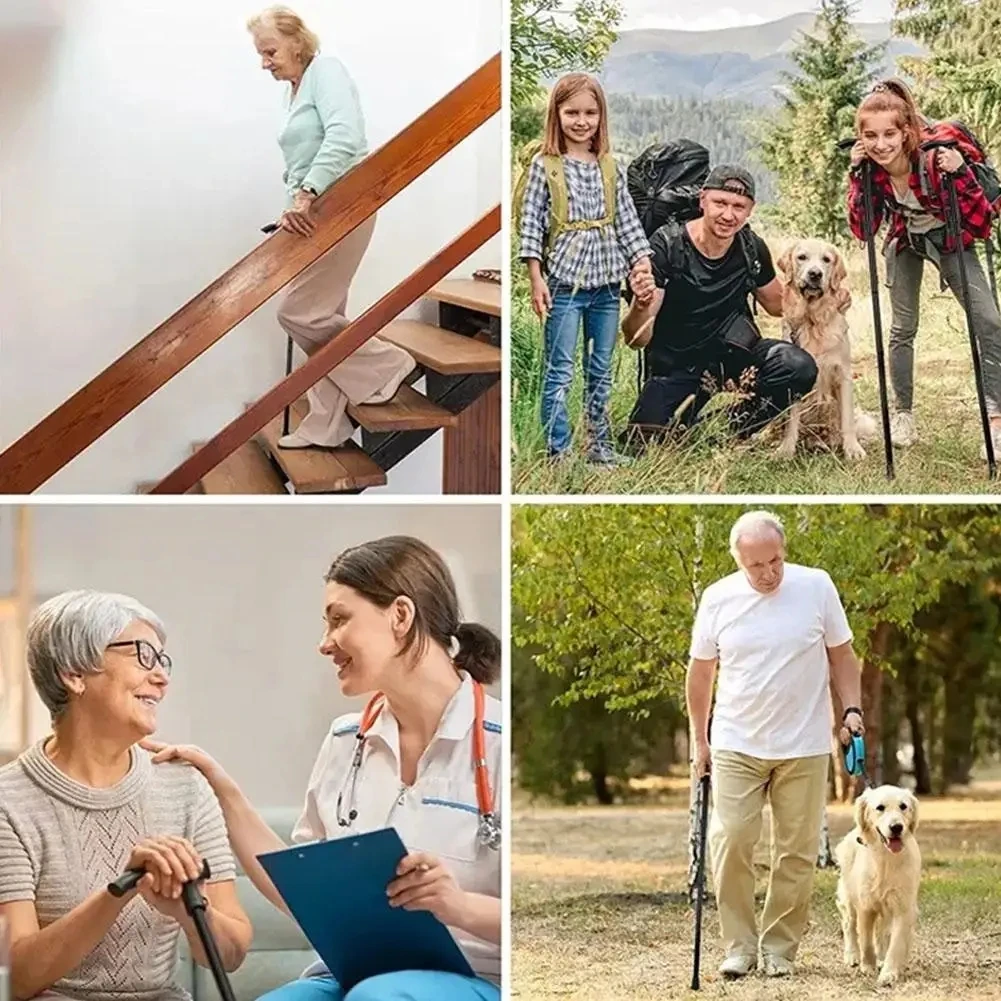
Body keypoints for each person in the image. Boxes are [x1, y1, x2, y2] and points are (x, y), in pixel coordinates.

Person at [144, 536, 502, 1001]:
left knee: (379, 997)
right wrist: (221, 788)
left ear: (400, 615)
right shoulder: (344, 740)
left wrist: (459, 906)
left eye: (339, 620)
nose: (324, 644)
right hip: (351, 977)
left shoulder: (498, 742)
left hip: (482, 980)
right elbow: (301, 892)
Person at [0, 591, 252, 1001]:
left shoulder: (185, 786)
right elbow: (16, 979)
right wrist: (120, 889)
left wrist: (186, 912)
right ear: (74, 673)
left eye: (162, 660)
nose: (162, 678)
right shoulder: (8, 800)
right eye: (142, 656)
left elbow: (232, 955)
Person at [686, 511, 864, 979]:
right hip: (736, 741)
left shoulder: (816, 586)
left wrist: (852, 710)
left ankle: (779, 949)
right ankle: (739, 947)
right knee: (731, 841)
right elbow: (701, 672)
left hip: (803, 743)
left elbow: (842, 655)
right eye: (756, 566)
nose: (768, 574)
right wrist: (699, 740)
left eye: (775, 561)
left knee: (797, 851)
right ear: (738, 561)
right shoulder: (718, 597)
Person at [248, 6, 415, 450]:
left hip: (344, 207)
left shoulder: (327, 71)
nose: (264, 62)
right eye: (260, 54)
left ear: (297, 42)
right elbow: (299, 165)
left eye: (269, 51)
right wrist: (292, 210)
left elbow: (346, 137)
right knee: (325, 317)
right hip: (313, 218)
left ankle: (387, 362)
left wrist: (306, 193)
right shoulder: (295, 91)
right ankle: (327, 424)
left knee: (301, 313)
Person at [848, 78, 1001, 453]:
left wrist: (962, 172)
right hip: (905, 240)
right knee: (902, 328)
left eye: (889, 134)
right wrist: (856, 176)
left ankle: (996, 421)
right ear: (861, 137)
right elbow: (863, 229)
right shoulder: (870, 168)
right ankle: (903, 417)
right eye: (871, 136)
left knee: (990, 322)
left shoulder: (936, 158)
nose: (881, 144)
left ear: (906, 133)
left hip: (949, 240)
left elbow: (982, 223)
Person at [622, 167, 818, 446]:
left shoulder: (751, 248)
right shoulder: (667, 246)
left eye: (738, 206)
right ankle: (687, 425)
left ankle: (725, 432)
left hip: (736, 355)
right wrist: (641, 304)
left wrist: (820, 286)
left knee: (797, 366)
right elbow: (635, 338)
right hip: (679, 365)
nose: (729, 215)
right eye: (720, 203)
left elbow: (778, 306)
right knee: (643, 442)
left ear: (750, 210)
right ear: (703, 200)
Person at [517, 72, 653, 466]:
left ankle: (599, 448)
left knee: (600, 369)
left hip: (606, 286)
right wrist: (535, 277)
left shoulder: (609, 167)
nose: (581, 121)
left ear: (601, 116)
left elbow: (626, 221)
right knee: (560, 369)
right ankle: (559, 452)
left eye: (590, 112)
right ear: (557, 114)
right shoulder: (547, 167)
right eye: (572, 112)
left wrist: (640, 262)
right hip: (564, 283)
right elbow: (531, 226)